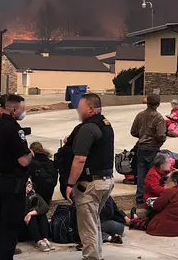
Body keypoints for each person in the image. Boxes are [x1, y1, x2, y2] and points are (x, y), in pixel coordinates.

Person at [65, 93, 115, 260]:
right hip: (106, 181)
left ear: (91, 109)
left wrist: (70, 183)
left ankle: (92, 258)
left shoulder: (88, 128)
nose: (78, 111)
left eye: (81, 108)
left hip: (90, 184)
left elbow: (79, 159)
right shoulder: (106, 124)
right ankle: (97, 256)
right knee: (94, 223)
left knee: (87, 228)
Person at [0, 94, 33, 260]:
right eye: (22, 109)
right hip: (11, 184)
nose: (23, 112)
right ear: (13, 109)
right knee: (9, 226)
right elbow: (23, 160)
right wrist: (31, 155)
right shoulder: (15, 129)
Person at [130, 93, 167, 205]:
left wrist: (143, 136)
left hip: (141, 147)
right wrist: (161, 139)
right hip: (153, 149)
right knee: (153, 175)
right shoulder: (159, 118)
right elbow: (161, 135)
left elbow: (133, 132)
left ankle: (140, 198)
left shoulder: (140, 115)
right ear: (158, 104)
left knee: (141, 174)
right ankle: (151, 197)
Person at [146, 171, 178, 237]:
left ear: (175, 182)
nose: (166, 182)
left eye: (168, 180)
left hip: (170, 229)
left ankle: (132, 220)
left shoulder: (169, 191)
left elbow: (156, 206)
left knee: (150, 217)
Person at [21, 180, 53, 252]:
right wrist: (25, 195)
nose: (29, 187)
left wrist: (31, 213)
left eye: (30, 185)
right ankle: (38, 241)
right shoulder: (18, 197)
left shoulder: (34, 195)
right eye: (27, 185)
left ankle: (45, 239)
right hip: (23, 224)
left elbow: (45, 207)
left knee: (41, 215)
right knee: (31, 216)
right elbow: (22, 211)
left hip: (32, 221)